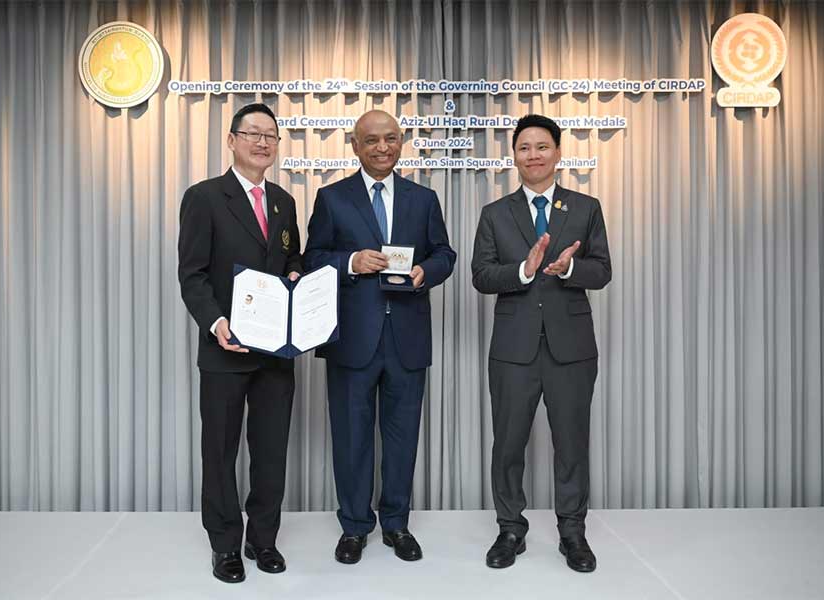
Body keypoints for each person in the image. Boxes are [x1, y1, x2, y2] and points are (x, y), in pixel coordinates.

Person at [304, 109, 456, 564]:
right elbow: (313, 258)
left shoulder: (423, 199)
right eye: (371, 140)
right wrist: (351, 263)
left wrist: (423, 272)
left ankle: (396, 523)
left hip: (407, 337)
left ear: (402, 140)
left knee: (402, 435)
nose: (382, 147)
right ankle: (354, 527)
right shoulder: (332, 198)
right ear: (354, 146)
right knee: (350, 437)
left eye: (391, 138)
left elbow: (444, 254)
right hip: (352, 339)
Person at [471, 114, 611, 573]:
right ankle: (510, 528)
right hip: (513, 350)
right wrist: (525, 271)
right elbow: (481, 276)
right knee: (508, 443)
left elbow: (602, 270)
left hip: (571, 349)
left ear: (557, 152)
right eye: (524, 147)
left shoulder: (586, 208)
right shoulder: (494, 213)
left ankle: (573, 532)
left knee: (572, 443)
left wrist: (568, 269)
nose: (533, 155)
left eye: (542, 146)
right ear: (514, 156)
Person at [177, 103, 302, 583]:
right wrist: (215, 322)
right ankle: (225, 545)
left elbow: (292, 256)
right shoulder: (205, 197)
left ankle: (263, 540)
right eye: (253, 133)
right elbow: (191, 276)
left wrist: (295, 270)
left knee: (271, 450)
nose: (263, 142)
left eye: (271, 135)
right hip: (224, 349)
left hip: (275, 352)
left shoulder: (284, 203)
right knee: (221, 450)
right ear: (232, 140)